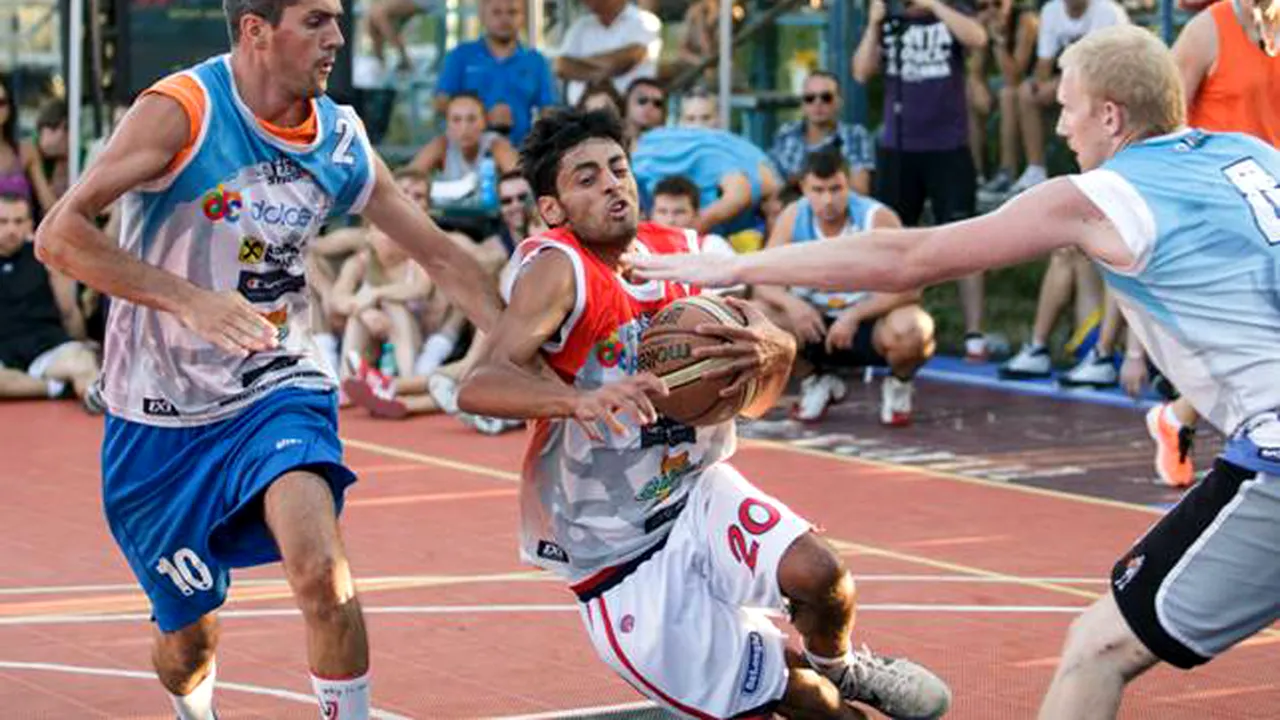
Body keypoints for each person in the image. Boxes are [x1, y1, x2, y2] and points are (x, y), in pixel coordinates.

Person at [628, 24, 1280, 718]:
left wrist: (733, 266)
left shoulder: (1105, 194)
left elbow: (914, 258)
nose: (1060, 126)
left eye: (1068, 107)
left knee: (1097, 650)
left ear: (1111, 115)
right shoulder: (1249, 156)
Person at [32, 0, 501, 718]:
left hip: (274, 386)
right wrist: (188, 299)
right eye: (316, 21)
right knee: (188, 644)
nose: (338, 38)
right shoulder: (182, 111)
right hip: (156, 414)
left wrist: (520, 355)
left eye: (338, 20)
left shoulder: (339, 139)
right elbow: (58, 236)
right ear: (256, 30)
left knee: (323, 574)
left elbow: (439, 254)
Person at [456, 107, 951, 720]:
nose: (612, 183)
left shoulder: (684, 253)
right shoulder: (562, 270)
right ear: (553, 209)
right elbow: (479, 384)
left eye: (618, 169)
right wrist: (577, 400)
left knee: (822, 577)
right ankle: (819, 687)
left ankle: (843, 665)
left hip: (695, 491)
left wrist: (781, 349)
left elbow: (757, 388)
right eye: (587, 178)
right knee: (807, 707)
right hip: (618, 556)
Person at [1130, 0, 1280, 488]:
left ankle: (1179, 417)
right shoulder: (1207, 30)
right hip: (1214, 205)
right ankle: (1186, 419)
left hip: (1269, 200)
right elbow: (1157, 115)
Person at [851, 0, 991, 361]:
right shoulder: (889, 20)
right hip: (898, 148)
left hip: (948, 146)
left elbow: (978, 38)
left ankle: (974, 332)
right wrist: (873, 24)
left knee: (967, 238)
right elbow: (861, 72)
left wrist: (934, 6)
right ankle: (894, 325)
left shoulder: (951, 12)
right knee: (893, 240)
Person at [757, 150, 934, 425]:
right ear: (804, 188)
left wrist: (855, 315)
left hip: (869, 322)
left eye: (836, 189)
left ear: (848, 185)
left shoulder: (876, 218)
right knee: (756, 322)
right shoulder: (793, 216)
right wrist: (793, 305)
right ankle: (814, 380)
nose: (828, 199)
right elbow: (762, 280)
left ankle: (900, 383)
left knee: (914, 329)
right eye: (818, 190)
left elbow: (912, 288)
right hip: (813, 321)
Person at [0, 192, 100, 409]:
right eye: (3, 222)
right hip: (2, 350)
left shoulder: (46, 256)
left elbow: (68, 311)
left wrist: (80, 343)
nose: (11, 229)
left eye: (18, 221)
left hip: (46, 344)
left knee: (82, 363)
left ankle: (97, 401)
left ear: (30, 224)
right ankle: (55, 388)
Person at [432, 0, 559, 144]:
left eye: (512, 12)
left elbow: (549, 109)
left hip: (519, 151)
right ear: (482, 15)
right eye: (496, 12)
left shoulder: (536, 61)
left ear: (523, 17)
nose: (504, 19)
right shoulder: (461, 55)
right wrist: (483, 116)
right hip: (468, 151)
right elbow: (441, 102)